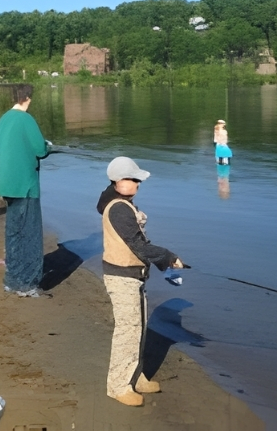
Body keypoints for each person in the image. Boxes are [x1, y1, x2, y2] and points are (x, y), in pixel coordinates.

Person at [96, 156, 187, 407]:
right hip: (122, 277)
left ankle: (135, 376)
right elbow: (137, 245)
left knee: (138, 328)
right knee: (128, 331)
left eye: (138, 179)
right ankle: (118, 386)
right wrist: (168, 257)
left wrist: (163, 262)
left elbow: (138, 245)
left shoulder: (116, 201)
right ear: (117, 181)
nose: (138, 183)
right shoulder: (119, 209)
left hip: (132, 277)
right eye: (133, 179)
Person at [0, 84, 50, 297]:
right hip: (25, 185)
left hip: (5, 184)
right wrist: (48, 147)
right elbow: (40, 149)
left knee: (14, 232)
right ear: (28, 98)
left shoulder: (3, 119)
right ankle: (27, 284)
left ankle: (12, 278)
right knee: (30, 234)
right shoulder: (26, 119)